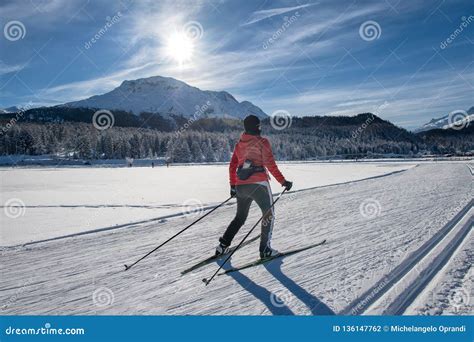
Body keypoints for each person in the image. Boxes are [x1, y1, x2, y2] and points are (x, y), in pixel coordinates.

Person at [216, 114, 293, 259]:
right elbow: (270, 164)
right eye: (259, 126)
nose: (260, 128)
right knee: (268, 214)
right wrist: (283, 181)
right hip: (259, 185)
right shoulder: (263, 142)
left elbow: (233, 166)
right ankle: (265, 250)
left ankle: (222, 246)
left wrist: (233, 186)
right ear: (256, 127)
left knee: (240, 217)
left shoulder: (239, 145)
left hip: (241, 186)